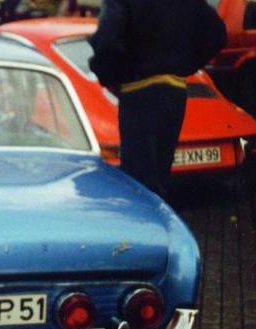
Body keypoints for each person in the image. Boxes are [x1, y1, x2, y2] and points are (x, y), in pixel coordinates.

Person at [89, 0, 227, 198]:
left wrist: (110, 77)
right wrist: (185, 65)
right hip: (175, 91)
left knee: (138, 182)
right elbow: (217, 35)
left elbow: (107, 42)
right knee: (160, 177)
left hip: (138, 91)